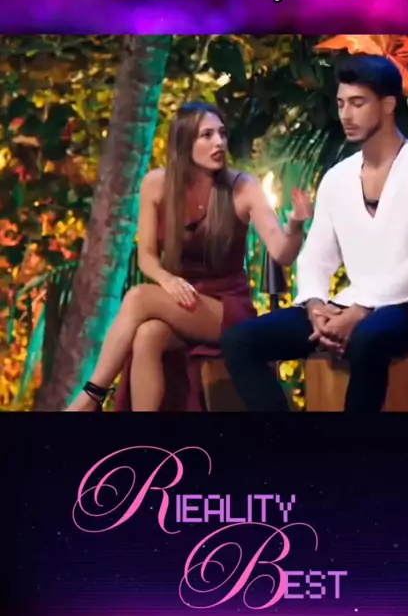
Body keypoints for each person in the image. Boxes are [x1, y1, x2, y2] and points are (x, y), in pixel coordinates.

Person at [221, 53, 408, 413]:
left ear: (389, 105)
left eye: (358, 103)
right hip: (350, 305)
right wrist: (316, 306)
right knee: (240, 341)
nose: (346, 114)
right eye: (341, 103)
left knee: (368, 338)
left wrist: (359, 311)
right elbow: (315, 258)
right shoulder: (337, 178)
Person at [66, 101, 313, 411]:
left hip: (226, 308)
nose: (218, 142)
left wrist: (295, 225)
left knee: (139, 297)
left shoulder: (242, 187)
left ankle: (91, 397)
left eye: (222, 134)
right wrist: (166, 280)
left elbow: (283, 253)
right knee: (147, 335)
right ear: (184, 143)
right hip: (181, 298)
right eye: (207, 135)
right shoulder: (156, 184)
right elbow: (146, 257)